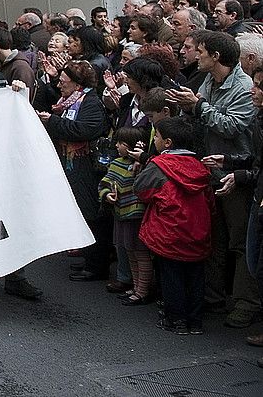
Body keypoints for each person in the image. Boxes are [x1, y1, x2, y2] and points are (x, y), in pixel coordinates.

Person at [167, 30, 260, 326]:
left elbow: (232, 126)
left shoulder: (244, 87)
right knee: (213, 237)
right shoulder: (208, 81)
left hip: (237, 174)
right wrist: (189, 109)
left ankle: (247, 303)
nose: (196, 55)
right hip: (211, 170)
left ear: (216, 56)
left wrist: (198, 107)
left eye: (202, 51)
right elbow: (202, 118)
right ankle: (213, 296)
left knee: (240, 241)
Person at [135, 116, 214, 334]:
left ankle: (176, 319)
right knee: (196, 278)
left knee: (171, 277)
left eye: (157, 136)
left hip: (168, 233)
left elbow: (141, 190)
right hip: (198, 232)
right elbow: (209, 201)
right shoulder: (201, 168)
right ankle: (195, 321)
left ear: (168, 142)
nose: (155, 140)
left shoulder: (159, 166)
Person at [36, 60, 111, 283]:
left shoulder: (91, 103)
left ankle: (97, 264)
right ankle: (89, 258)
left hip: (86, 165)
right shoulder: (69, 101)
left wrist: (53, 122)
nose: (60, 86)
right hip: (74, 164)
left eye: (63, 82)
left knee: (91, 214)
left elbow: (84, 129)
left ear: (77, 84)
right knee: (82, 211)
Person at [100, 126, 154, 304]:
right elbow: (105, 183)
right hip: (120, 213)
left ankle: (142, 290)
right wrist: (107, 194)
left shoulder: (142, 166)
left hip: (137, 215)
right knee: (128, 250)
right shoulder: (116, 163)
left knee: (140, 253)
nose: (116, 146)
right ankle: (135, 285)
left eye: (121, 143)